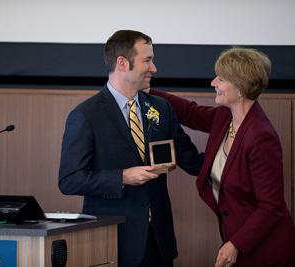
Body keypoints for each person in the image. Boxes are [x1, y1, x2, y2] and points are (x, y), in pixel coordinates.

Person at [59, 30, 203, 267]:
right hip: (113, 241)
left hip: (159, 242)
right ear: (122, 63)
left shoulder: (161, 108)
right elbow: (69, 180)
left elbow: (190, 159)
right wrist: (122, 177)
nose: (154, 68)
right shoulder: (85, 115)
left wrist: (232, 161)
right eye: (147, 60)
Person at [149, 47, 295, 267]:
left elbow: (270, 206)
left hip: (267, 253)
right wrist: (147, 90)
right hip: (241, 245)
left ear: (239, 88)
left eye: (220, 79)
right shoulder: (224, 117)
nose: (213, 83)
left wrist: (235, 244)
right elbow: (190, 112)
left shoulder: (261, 137)